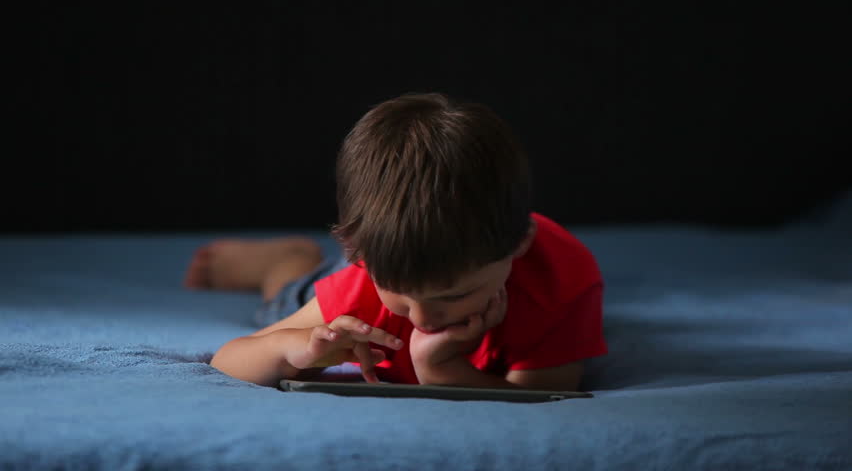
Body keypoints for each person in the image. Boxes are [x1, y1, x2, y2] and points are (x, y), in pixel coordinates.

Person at [188, 92, 607, 390]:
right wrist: (294, 351)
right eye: (404, 298)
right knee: (289, 298)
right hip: (360, 276)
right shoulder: (363, 290)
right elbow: (229, 363)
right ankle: (286, 263)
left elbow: (546, 392)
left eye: (456, 293)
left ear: (518, 245)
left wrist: (439, 368)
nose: (423, 319)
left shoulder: (560, 284)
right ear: (366, 261)